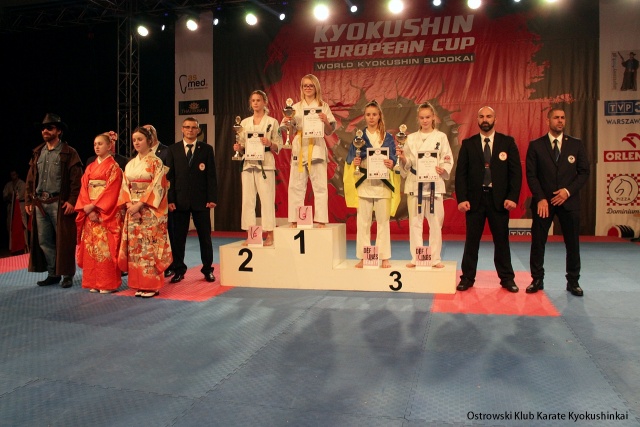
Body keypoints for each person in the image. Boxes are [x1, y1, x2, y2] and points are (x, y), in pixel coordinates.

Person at [455, 106, 522, 293]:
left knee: (502, 241)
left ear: (495, 119)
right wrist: (462, 198)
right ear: (477, 120)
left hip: (499, 200)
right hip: (474, 200)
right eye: (482, 116)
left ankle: (507, 279)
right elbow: (461, 174)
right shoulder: (468, 144)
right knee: (471, 241)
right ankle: (467, 278)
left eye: (489, 116)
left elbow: (515, 173)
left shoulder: (507, 143)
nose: (485, 119)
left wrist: (512, 197)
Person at [525, 108, 590, 297]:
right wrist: (540, 198)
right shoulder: (536, 145)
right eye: (556, 118)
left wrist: (567, 191)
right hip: (544, 203)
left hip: (568, 201)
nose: (560, 121)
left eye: (562, 118)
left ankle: (573, 281)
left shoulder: (576, 144)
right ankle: (537, 279)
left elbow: (584, 172)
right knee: (538, 242)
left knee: (572, 243)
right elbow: (531, 174)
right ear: (548, 121)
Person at [25, 113, 83, 288]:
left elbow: (76, 180)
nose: (45, 131)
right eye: (43, 128)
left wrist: (72, 201)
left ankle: (67, 274)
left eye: (49, 128)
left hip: (59, 202)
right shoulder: (38, 152)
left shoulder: (69, 152)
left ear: (58, 131)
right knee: (44, 241)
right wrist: (28, 200)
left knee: (64, 241)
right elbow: (30, 179)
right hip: (40, 203)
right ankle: (53, 273)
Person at [117, 127, 172, 298]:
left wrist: (139, 205)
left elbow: (158, 187)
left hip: (149, 211)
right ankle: (138, 284)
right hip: (132, 209)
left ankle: (151, 285)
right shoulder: (130, 164)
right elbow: (124, 186)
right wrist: (129, 205)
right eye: (134, 140)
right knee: (135, 248)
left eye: (140, 139)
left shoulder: (156, 162)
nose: (136, 142)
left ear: (149, 141)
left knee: (149, 247)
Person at [398, 102, 453, 269]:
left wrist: (442, 168)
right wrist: (403, 159)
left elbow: (447, 158)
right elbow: (408, 162)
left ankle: (435, 258)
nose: (425, 120)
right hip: (415, 184)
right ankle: (417, 257)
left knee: (435, 222)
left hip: (434, 183)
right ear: (418, 119)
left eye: (428, 117)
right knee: (415, 222)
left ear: (433, 117)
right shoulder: (410, 138)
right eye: (422, 117)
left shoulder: (441, 137)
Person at [344, 100, 398, 268]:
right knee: (363, 222)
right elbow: (350, 159)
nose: (371, 117)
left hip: (383, 184)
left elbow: (394, 158)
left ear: (379, 116)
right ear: (364, 117)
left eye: (374, 114)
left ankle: (384, 257)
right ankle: (363, 256)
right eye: (368, 114)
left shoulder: (388, 137)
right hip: (365, 183)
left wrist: (391, 162)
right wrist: (355, 162)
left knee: (383, 222)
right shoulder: (359, 137)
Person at [166, 117, 218, 283]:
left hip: (201, 201)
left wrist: (212, 198)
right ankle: (179, 270)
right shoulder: (172, 150)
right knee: (178, 239)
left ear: (198, 130)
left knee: (205, 238)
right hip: (179, 201)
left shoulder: (206, 149)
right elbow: (169, 178)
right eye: (187, 127)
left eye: (193, 127)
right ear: (182, 129)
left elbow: (211, 176)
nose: (190, 130)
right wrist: (170, 199)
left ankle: (208, 269)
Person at [280, 74, 336, 228]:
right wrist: (288, 123)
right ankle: (295, 219)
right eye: (305, 85)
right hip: (299, 146)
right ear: (301, 88)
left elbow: (329, 131)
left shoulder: (323, 106)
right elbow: (289, 130)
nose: (308, 88)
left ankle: (321, 220)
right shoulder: (295, 107)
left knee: (320, 186)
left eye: (311, 85)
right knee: (295, 185)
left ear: (316, 87)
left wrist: (325, 121)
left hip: (316, 147)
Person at [75, 133, 124, 293]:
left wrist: (95, 207)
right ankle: (93, 281)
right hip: (90, 213)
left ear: (109, 146)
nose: (97, 146)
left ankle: (107, 283)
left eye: (100, 144)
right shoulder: (90, 167)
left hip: (104, 213)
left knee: (105, 248)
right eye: (95, 144)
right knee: (91, 247)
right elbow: (84, 189)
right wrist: (88, 209)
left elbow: (112, 191)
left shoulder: (114, 167)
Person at [233, 90, 281, 246]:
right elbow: (242, 145)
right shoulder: (244, 123)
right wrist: (239, 148)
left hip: (265, 163)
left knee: (267, 200)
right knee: (248, 200)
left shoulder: (272, 122)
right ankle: (252, 235)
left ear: (265, 102)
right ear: (250, 103)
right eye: (253, 100)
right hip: (248, 163)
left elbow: (279, 145)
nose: (255, 103)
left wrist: (270, 143)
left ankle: (270, 234)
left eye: (258, 100)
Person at [3, 170, 26, 235]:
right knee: (10, 224)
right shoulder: (8, 184)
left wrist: (12, 195)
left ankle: (24, 240)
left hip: (20, 205)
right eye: (11, 175)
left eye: (14, 174)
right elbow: (5, 196)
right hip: (10, 206)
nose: (12, 176)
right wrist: (9, 196)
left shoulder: (22, 184)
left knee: (21, 223)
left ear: (17, 175)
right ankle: (12, 240)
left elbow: (19, 196)